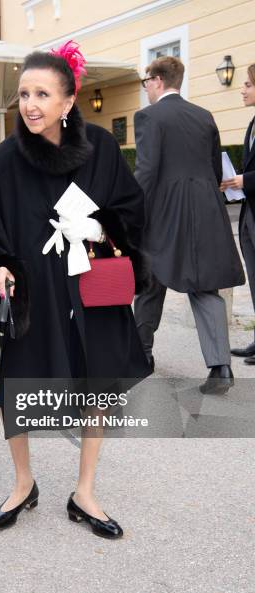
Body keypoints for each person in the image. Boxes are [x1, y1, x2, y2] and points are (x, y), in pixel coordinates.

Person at [0, 41, 151, 539]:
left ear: (68, 102)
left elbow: (131, 210)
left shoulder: (103, 150)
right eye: (24, 93)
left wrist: (98, 225)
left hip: (91, 288)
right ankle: (24, 483)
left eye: (43, 93)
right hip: (32, 293)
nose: (30, 104)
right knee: (15, 388)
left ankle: (84, 491)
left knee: (96, 385)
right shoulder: (3, 160)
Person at [133, 56, 245, 394]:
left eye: (145, 83)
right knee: (205, 286)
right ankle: (220, 368)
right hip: (206, 212)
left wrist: (127, 212)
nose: (146, 89)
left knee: (151, 281)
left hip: (165, 214)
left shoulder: (149, 117)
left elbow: (147, 172)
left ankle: (141, 357)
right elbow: (214, 169)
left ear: (156, 80)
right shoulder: (204, 115)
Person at [222, 63, 255, 364]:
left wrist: (245, 180)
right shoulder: (252, 124)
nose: (242, 90)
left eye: (247, 84)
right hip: (249, 213)